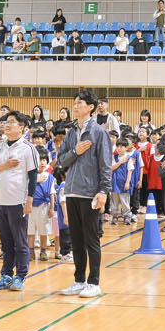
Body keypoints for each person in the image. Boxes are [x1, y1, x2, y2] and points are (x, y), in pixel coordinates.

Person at [58, 91, 112, 299]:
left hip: (90, 193)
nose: (75, 106)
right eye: (74, 102)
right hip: (72, 191)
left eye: (79, 103)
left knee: (91, 239)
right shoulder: (71, 132)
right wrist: (76, 151)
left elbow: (105, 165)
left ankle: (94, 282)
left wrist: (103, 191)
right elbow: (61, 160)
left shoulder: (99, 132)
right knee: (77, 240)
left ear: (91, 107)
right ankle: (79, 280)